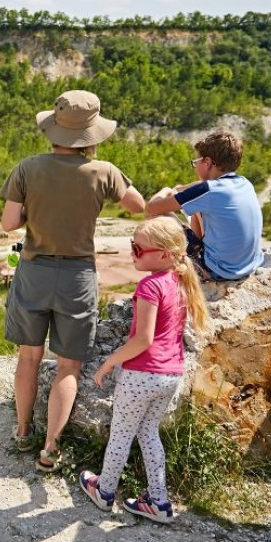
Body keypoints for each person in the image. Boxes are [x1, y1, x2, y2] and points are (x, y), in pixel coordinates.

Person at [0, 89, 145, 472]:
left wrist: (39, 208)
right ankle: (50, 448)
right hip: (78, 276)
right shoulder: (104, 172)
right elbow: (138, 205)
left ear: (53, 128)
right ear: (92, 135)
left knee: (28, 358)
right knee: (68, 367)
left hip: (34, 271)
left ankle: (22, 431)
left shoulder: (28, 167)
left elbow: (8, 223)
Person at [77, 217, 208, 524]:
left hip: (142, 375)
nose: (133, 253)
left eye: (138, 248)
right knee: (149, 433)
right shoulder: (179, 281)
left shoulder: (150, 285)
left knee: (121, 433)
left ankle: (105, 490)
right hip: (170, 374)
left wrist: (110, 362)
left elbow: (143, 339)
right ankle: (159, 502)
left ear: (163, 254)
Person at [145, 132, 264, 281]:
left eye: (196, 162)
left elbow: (151, 208)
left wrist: (167, 190)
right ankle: (197, 248)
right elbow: (200, 188)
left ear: (207, 162)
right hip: (248, 265)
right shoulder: (244, 183)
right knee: (197, 207)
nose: (195, 166)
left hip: (219, 271)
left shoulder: (208, 190)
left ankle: (178, 273)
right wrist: (181, 189)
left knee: (156, 217)